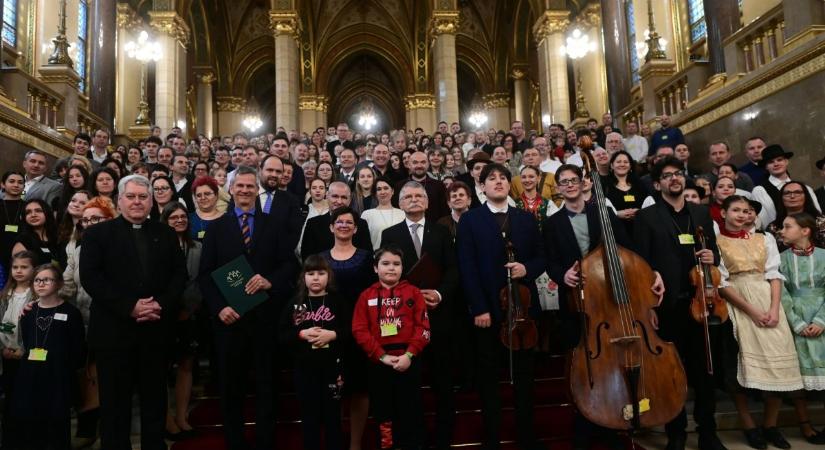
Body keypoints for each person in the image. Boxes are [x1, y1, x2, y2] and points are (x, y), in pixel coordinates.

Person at [80, 174, 187, 450]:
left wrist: (158, 304)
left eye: (143, 197)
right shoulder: (96, 234)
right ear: (119, 200)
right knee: (115, 406)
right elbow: (92, 279)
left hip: (155, 330)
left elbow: (179, 275)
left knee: (155, 401)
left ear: (152, 201)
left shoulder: (165, 233)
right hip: (114, 333)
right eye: (131, 196)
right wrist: (130, 307)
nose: (137, 202)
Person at [198, 166, 299, 450]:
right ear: (230, 190)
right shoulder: (217, 228)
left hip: (266, 318)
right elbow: (205, 275)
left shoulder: (274, 225)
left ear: (257, 190)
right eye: (239, 186)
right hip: (229, 319)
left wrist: (270, 281)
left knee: (267, 385)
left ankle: (266, 440)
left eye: (249, 186)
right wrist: (219, 308)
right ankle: (235, 441)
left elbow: (290, 264)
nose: (244, 191)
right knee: (231, 386)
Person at [632, 156, 730, 450]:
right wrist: (648, 307)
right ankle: (676, 433)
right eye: (667, 175)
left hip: (703, 304)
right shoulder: (647, 218)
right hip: (669, 306)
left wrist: (714, 256)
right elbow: (641, 266)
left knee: (705, 371)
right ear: (658, 183)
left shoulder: (700, 215)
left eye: (678, 174)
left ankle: (707, 432)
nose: (674, 178)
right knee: (673, 374)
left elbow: (713, 254)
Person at [456, 163, 546, 450]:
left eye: (503, 178)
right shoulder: (470, 220)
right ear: (481, 187)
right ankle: (492, 436)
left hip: (523, 313)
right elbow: (466, 267)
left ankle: (527, 435)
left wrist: (526, 268)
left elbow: (541, 257)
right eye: (491, 179)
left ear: (510, 185)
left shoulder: (525, 218)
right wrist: (479, 308)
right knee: (489, 377)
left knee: (524, 377)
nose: (498, 182)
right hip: (489, 312)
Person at [717, 195, 804, 449]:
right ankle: (749, 425)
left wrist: (774, 309)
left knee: (779, 363)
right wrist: (752, 311)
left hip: (768, 298)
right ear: (723, 213)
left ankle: (771, 425)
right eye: (736, 210)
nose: (742, 215)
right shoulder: (718, 242)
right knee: (740, 366)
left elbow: (775, 275)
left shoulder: (764, 239)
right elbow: (721, 283)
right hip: (738, 301)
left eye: (747, 211)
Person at [381, 181, 458, 449]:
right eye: (408, 197)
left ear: (427, 202)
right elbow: (388, 274)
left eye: (419, 196)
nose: (414, 200)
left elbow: (453, 270)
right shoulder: (390, 234)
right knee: (406, 385)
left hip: (438, 317)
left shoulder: (442, 232)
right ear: (400, 203)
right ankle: (411, 438)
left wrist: (438, 294)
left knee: (443, 382)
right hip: (404, 321)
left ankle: (444, 438)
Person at [351, 246, 430, 450]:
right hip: (379, 362)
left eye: (396, 264)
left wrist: (409, 355)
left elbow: (423, 328)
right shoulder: (365, 296)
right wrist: (381, 356)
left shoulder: (413, 293)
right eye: (385, 264)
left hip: (408, 360)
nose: (391, 268)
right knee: (383, 411)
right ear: (376, 268)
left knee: (410, 409)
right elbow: (359, 330)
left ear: (403, 268)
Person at [59, 196, 117, 448]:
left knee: (107, 375)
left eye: (97, 218)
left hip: (114, 319)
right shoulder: (76, 247)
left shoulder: (119, 245)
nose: (90, 224)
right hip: (84, 317)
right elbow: (68, 283)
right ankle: (88, 424)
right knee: (88, 374)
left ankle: (108, 428)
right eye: (86, 220)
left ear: (109, 219)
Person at [320, 207, 376, 450]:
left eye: (349, 222)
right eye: (339, 222)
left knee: (359, 389)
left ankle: (355, 444)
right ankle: (333, 440)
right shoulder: (320, 258)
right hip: (327, 332)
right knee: (331, 391)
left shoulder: (366, 257)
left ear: (355, 228)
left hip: (359, 330)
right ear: (331, 227)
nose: (343, 225)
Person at [12, 263, 84, 450]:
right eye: (37, 280)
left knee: (57, 424)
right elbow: (26, 341)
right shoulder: (28, 312)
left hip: (58, 376)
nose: (41, 283)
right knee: (31, 424)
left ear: (59, 283)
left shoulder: (71, 313)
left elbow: (77, 348)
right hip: (31, 375)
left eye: (47, 279)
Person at [279, 255, 347, 450]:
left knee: (333, 416)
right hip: (305, 369)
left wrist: (332, 335)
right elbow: (282, 334)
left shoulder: (337, 301)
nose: (316, 278)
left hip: (333, 368)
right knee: (309, 417)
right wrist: (301, 333)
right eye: (310, 273)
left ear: (329, 276)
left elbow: (351, 331)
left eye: (321, 273)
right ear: (303, 277)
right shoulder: (296, 303)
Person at [778, 213, 825, 444]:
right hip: (795, 320)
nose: (782, 231)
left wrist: (821, 321)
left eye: (787, 227)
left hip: (821, 317)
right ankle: (805, 424)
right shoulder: (781, 259)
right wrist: (796, 322)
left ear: (805, 230)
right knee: (797, 376)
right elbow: (781, 294)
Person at [160, 202, 202, 439]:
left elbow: (202, 279)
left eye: (182, 216)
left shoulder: (198, 247)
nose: (179, 220)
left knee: (186, 365)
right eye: (173, 217)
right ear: (165, 221)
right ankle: (166, 419)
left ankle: (182, 417)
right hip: (163, 316)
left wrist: (190, 308)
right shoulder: (156, 246)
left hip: (190, 314)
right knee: (162, 369)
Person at [0, 251, 36, 450]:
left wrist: (23, 350)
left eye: (24, 267)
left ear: (33, 269)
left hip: (27, 357)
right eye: (15, 267)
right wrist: (3, 349)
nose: (19, 271)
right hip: (7, 356)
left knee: (27, 400)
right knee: (10, 401)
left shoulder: (36, 296)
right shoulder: (5, 295)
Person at [752, 144, 821, 228]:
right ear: (766, 166)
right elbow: (766, 220)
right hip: (780, 234)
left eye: (779, 160)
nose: (776, 164)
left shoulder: (806, 188)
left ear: (786, 161)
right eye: (771, 162)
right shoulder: (760, 190)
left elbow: (817, 214)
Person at [300, 182, 373, 261]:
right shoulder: (313, 224)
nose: (339, 201)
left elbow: (367, 257)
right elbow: (307, 258)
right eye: (335, 196)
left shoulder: (361, 224)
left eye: (344, 197)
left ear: (350, 200)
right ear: (327, 196)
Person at [765, 181, 824, 252]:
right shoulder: (773, 227)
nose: (792, 196)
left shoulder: (821, 222)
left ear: (806, 196)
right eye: (787, 193)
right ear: (781, 198)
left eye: (797, 192)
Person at [11, 199, 63, 269]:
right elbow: (19, 272)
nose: (33, 215)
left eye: (38, 211)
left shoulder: (57, 238)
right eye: (28, 212)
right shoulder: (23, 241)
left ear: (47, 213)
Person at [604, 150, 646, 236]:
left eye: (626, 162)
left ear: (630, 166)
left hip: (640, 230)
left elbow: (649, 205)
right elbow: (600, 210)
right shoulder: (604, 185)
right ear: (612, 165)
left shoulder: (640, 184)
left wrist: (640, 212)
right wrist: (616, 214)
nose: (622, 164)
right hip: (616, 231)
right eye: (618, 162)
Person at [361, 177, 405, 250]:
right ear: (375, 193)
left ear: (392, 191)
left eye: (386, 188)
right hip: (375, 257)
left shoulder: (402, 213)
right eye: (379, 189)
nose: (382, 192)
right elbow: (363, 241)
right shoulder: (367, 215)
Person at [189, 176, 223, 241]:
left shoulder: (228, 219)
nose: (203, 198)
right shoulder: (188, 218)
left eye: (207, 194)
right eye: (199, 195)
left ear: (216, 195)